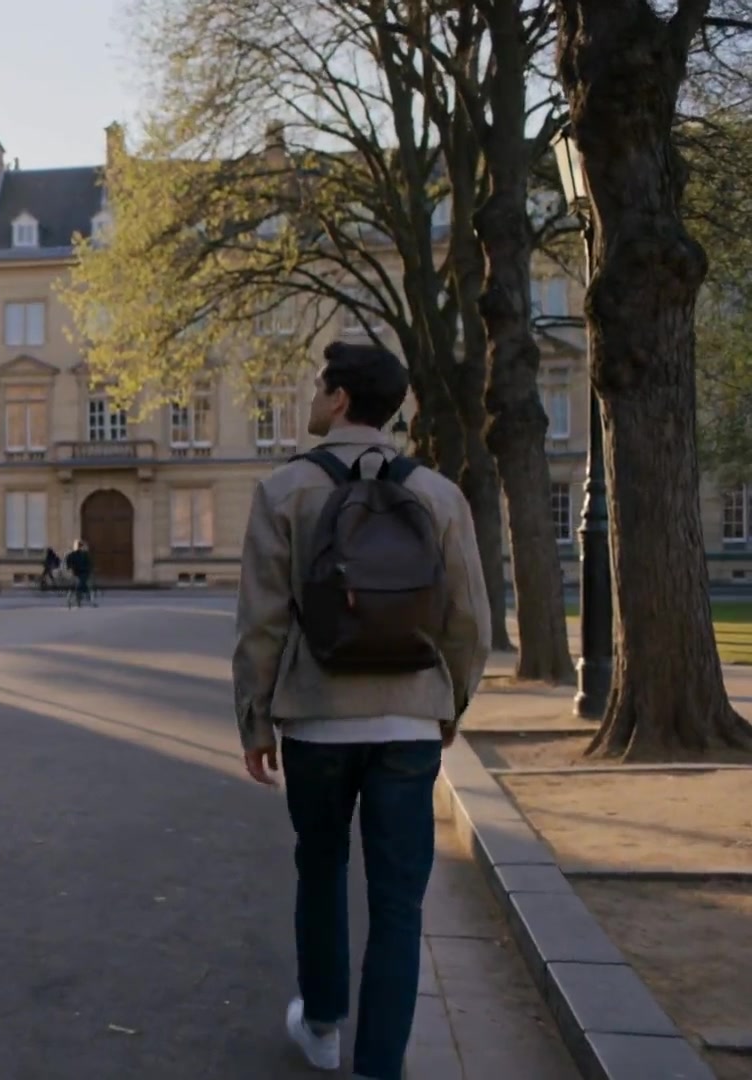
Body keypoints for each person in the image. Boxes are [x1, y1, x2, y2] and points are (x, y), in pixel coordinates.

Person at [233, 341, 490, 1080]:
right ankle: (380, 1066)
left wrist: (255, 721)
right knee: (400, 899)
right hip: (409, 718)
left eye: (320, 386)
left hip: (316, 718)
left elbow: (262, 622)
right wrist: (449, 705)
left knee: (320, 868)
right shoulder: (439, 495)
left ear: (341, 399)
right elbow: (467, 619)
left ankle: (321, 1026)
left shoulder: (284, 491)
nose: (314, 397)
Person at [63, 540, 92, 605]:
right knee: (77, 585)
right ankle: (86, 596)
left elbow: (89, 563)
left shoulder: (85, 554)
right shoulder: (72, 554)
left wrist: (88, 569)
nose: (80, 547)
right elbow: (68, 561)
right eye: (79, 546)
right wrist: (70, 568)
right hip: (76, 572)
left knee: (80, 585)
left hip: (84, 572)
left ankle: (78, 599)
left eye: (81, 546)